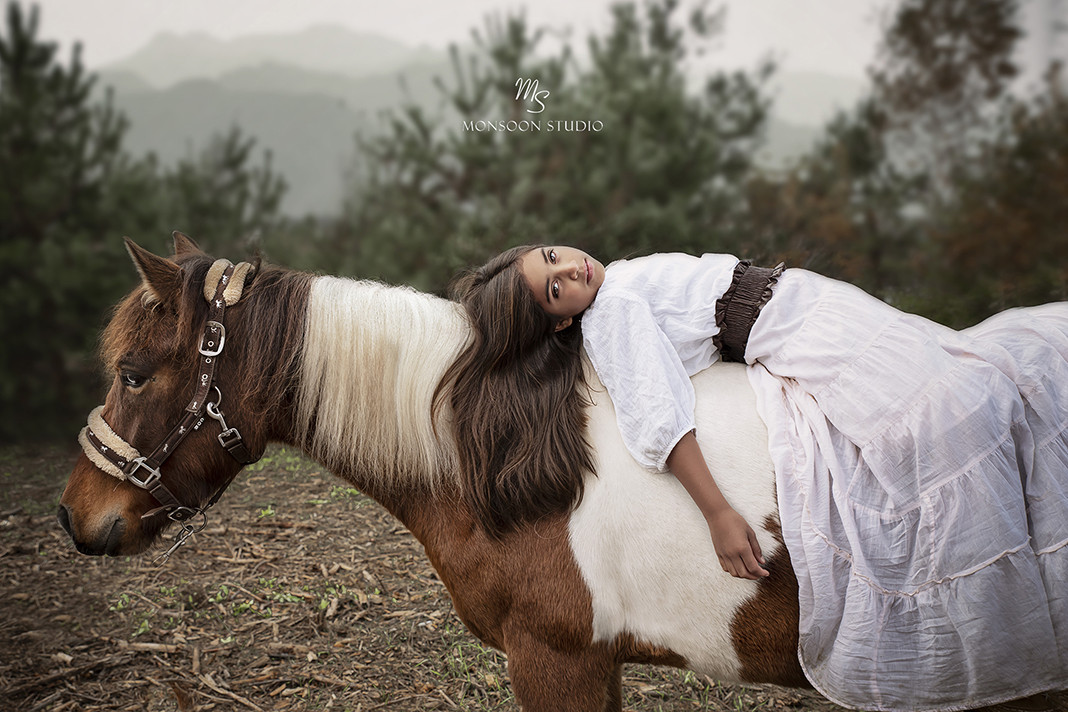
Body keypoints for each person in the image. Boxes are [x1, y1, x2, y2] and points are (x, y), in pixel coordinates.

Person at [442, 243, 1068, 707]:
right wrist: (718, 512)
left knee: (951, 394)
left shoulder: (610, 293)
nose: (570, 271)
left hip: (800, 312)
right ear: (560, 322)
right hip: (799, 318)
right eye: (556, 289)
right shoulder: (612, 314)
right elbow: (658, 416)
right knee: (944, 412)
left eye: (554, 257)